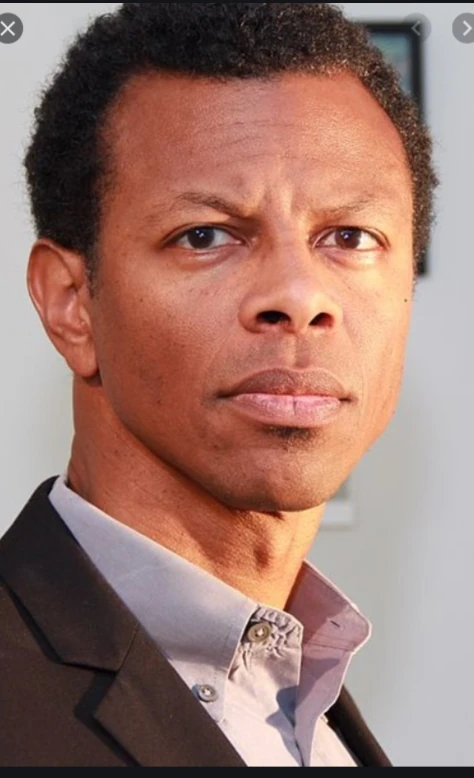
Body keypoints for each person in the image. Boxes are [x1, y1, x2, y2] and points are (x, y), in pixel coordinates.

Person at [0, 2, 438, 768]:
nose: (299, 295)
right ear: (72, 303)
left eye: (350, 237)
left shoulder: (310, 707)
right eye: (205, 236)